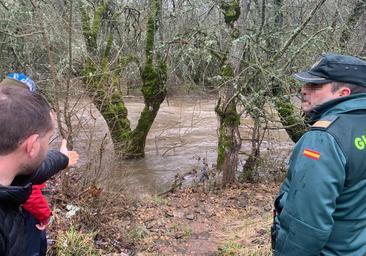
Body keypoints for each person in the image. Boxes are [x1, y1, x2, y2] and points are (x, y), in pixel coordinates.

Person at [273, 53, 366, 255]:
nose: (303, 90)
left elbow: (305, 227)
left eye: (315, 86)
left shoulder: (323, 139)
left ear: (343, 93)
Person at [0, 74, 79, 256]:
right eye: (48, 139)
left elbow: (36, 170)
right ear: (32, 145)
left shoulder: (12, 170)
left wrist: (62, 158)